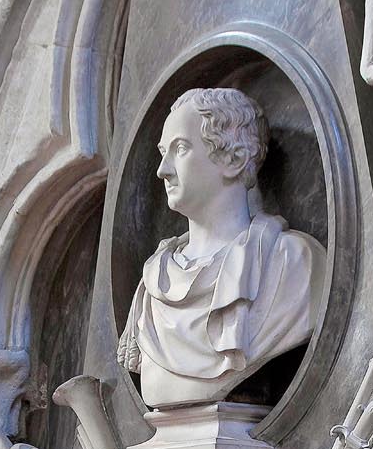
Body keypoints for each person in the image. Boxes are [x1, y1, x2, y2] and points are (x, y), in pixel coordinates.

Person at [117, 87, 324, 408]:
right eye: (162, 153)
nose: (163, 170)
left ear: (234, 159)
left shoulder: (294, 264)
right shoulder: (152, 286)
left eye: (180, 149)